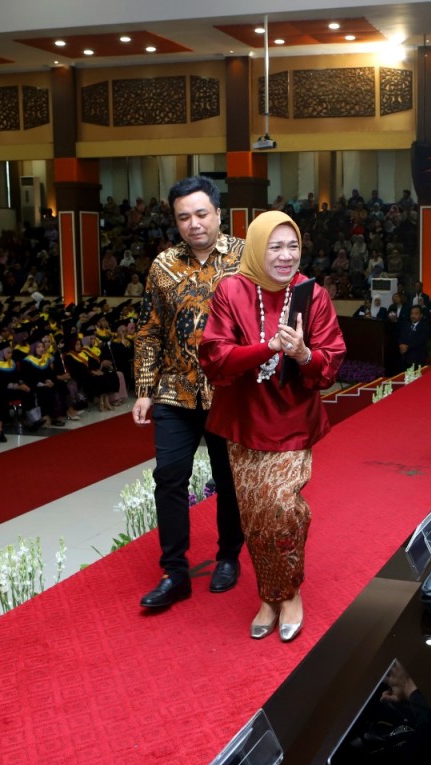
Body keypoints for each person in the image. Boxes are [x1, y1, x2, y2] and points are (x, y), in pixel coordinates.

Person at [199, 210, 346, 642]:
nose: (285, 256)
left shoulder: (311, 295)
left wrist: (302, 354)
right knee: (257, 517)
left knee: (282, 507)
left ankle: (289, 592)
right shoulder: (231, 290)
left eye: (293, 246)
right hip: (243, 421)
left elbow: (330, 361)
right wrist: (267, 348)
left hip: (291, 420)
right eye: (275, 247)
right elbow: (216, 357)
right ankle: (269, 594)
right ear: (257, 249)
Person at [131, 175, 245, 612]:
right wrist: (143, 389)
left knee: (229, 480)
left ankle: (228, 557)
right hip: (173, 393)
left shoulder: (244, 258)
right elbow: (149, 330)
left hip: (229, 393)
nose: (194, 224)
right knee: (169, 479)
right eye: (184, 217)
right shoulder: (162, 266)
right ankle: (174, 572)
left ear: (218, 213)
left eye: (201, 214)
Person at [397, 305, 429, 369]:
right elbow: (400, 336)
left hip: (417, 356)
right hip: (404, 355)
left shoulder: (424, 326)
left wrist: (406, 346)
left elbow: (420, 340)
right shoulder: (406, 325)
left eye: (416, 314)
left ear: (421, 315)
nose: (413, 316)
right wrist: (401, 344)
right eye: (412, 313)